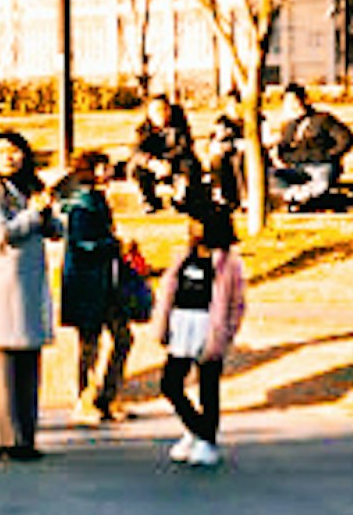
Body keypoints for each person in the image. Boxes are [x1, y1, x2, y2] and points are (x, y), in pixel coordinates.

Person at [0, 133, 54, 457]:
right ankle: (3, 439)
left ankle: (25, 436)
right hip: (2, 287)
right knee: (2, 364)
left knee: (28, 362)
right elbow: (0, 233)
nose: (9, 157)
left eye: (15, 150)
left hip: (30, 286)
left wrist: (46, 211)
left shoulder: (30, 185)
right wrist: (34, 214)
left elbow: (55, 230)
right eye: (1, 151)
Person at [157, 199, 247, 464]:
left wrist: (226, 333)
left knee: (208, 387)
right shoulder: (184, 255)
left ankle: (207, 440)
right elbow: (169, 289)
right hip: (181, 324)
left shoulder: (228, 262)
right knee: (170, 383)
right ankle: (197, 429)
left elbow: (237, 303)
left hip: (210, 326)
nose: (191, 227)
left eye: (196, 222)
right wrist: (164, 322)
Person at [55, 153, 135, 421]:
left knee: (122, 337)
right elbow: (82, 245)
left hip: (104, 281)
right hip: (86, 283)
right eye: (104, 166)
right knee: (91, 343)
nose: (110, 171)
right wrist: (115, 246)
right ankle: (84, 400)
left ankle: (107, 396)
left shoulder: (95, 199)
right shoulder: (83, 202)